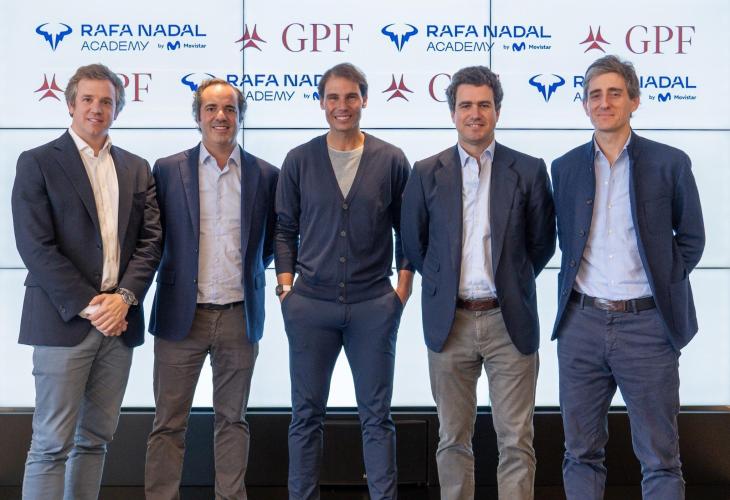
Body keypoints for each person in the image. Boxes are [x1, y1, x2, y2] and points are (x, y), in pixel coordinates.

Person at [551, 55, 705, 500]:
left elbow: (691, 239)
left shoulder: (670, 163)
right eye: (595, 95)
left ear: (634, 101)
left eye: (615, 93)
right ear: (584, 105)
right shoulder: (564, 168)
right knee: (580, 453)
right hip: (581, 324)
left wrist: (662, 284)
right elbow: (557, 238)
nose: (604, 103)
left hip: (648, 326)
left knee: (660, 458)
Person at [401, 65, 555, 500]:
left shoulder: (528, 170)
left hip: (509, 321)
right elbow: (415, 242)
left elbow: (542, 243)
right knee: (452, 438)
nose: (475, 113)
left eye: (484, 105)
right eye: (466, 105)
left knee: (516, 440)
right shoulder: (425, 172)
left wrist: (511, 281)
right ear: (453, 112)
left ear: (497, 111)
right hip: (450, 323)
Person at [11, 63, 162, 499]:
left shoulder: (136, 167)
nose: (97, 108)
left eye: (107, 101)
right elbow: (35, 246)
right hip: (64, 321)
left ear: (118, 108)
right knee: (50, 444)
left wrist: (124, 298)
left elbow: (151, 241)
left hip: (119, 324)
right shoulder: (38, 162)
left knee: (94, 440)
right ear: (71, 104)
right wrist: (94, 306)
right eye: (89, 99)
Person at [274, 62, 413, 500]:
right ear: (321, 103)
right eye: (333, 97)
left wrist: (401, 290)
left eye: (351, 96)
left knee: (377, 417)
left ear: (364, 100)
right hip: (309, 306)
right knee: (305, 416)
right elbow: (284, 229)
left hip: (374, 305)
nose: (342, 105)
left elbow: (407, 229)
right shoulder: (299, 160)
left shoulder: (391, 159)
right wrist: (286, 289)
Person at [144, 78, 278, 500]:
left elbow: (269, 244)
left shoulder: (265, 175)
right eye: (211, 109)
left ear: (240, 116)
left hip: (239, 316)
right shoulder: (167, 170)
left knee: (233, 421)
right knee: (168, 423)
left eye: (230, 109)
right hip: (180, 316)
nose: (221, 116)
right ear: (198, 116)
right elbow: (153, 237)